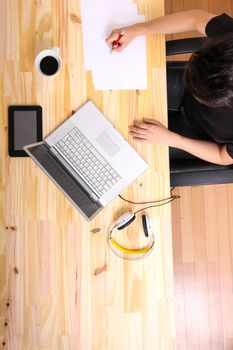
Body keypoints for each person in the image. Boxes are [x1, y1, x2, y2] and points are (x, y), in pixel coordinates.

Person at [106, 10, 233, 165]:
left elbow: (222, 156)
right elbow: (194, 18)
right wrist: (141, 29)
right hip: (183, 91)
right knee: (117, 93)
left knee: (120, 140)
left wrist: (174, 139)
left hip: (196, 136)